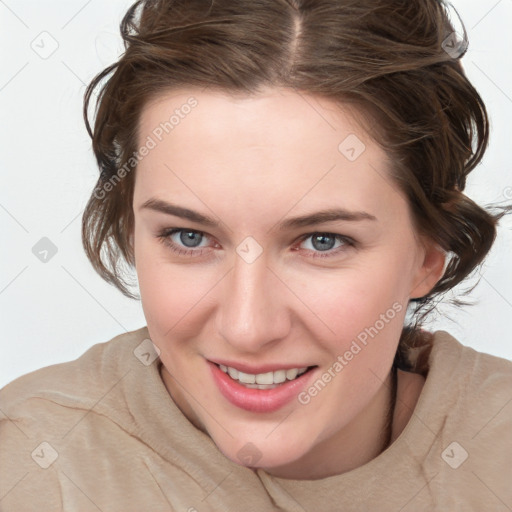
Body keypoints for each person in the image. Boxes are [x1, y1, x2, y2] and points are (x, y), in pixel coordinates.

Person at [1, 0, 511, 510]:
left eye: (321, 241)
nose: (247, 328)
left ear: (428, 252)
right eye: (189, 237)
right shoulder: (29, 465)